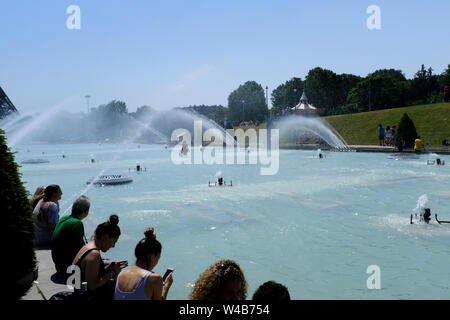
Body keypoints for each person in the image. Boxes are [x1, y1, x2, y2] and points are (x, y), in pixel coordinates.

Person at [72, 214, 126, 300]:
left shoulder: (88, 246)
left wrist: (109, 267)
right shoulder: (94, 254)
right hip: (84, 296)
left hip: (78, 289)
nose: (113, 246)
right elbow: (92, 286)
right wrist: (112, 273)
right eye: (114, 242)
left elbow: (91, 274)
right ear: (105, 237)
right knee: (114, 285)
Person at [115, 228, 173, 300]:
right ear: (152, 257)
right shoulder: (155, 279)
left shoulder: (120, 275)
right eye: (158, 258)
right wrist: (166, 287)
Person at [51, 195, 90, 278]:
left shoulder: (64, 218)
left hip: (59, 265)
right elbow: (81, 250)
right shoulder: (77, 223)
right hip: (69, 269)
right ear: (86, 211)